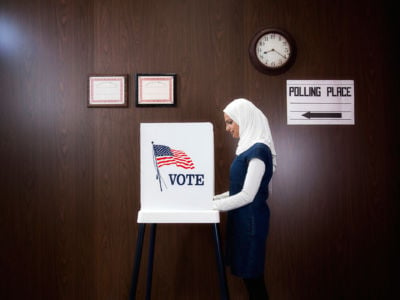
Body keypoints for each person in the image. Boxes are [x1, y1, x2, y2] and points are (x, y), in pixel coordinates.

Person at [213, 98, 277, 300]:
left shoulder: (258, 151)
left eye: (230, 122)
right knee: (251, 282)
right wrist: (214, 198)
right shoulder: (248, 148)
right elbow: (237, 189)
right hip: (243, 222)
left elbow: (248, 195)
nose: (227, 128)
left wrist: (212, 205)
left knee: (254, 283)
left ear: (245, 118)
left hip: (250, 225)